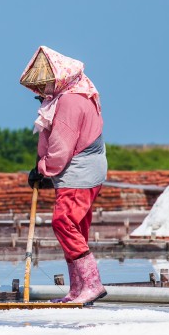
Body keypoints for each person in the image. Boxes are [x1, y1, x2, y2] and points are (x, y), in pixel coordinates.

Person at [19, 46, 107, 305]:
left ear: (59, 78)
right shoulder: (74, 94)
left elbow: (62, 144)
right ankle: (78, 290)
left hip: (80, 171)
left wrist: (43, 170)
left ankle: (92, 285)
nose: (42, 91)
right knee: (76, 227)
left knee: (63, 222)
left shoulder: (70, 100)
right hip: (81, 170)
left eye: (45, 85)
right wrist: (42, 168)